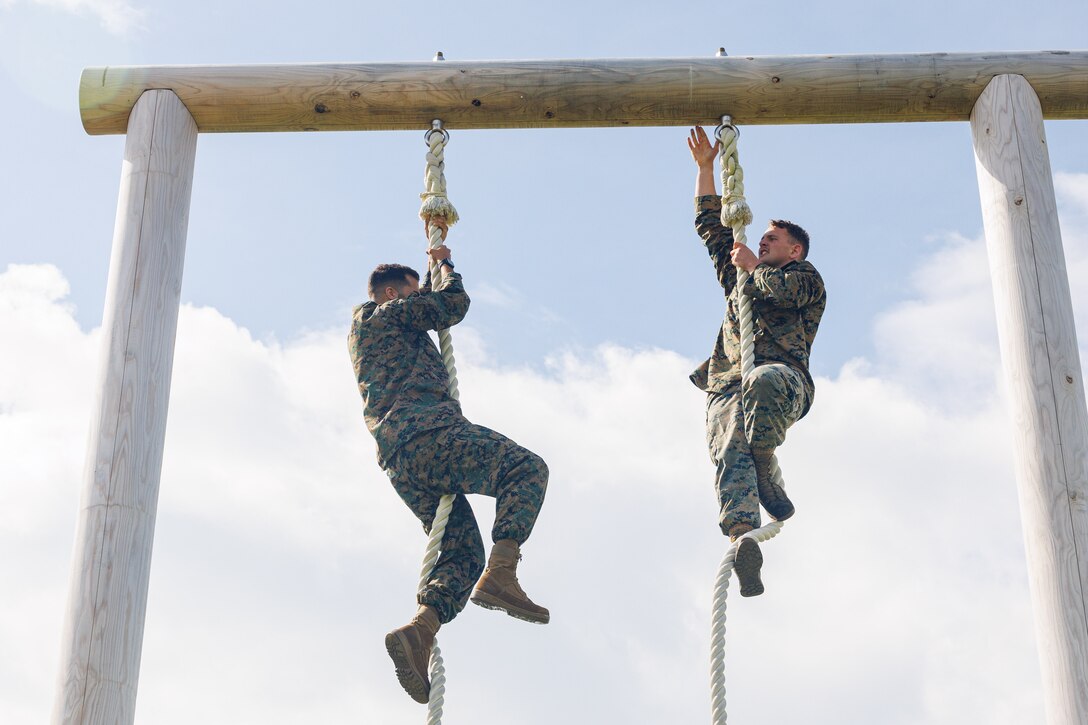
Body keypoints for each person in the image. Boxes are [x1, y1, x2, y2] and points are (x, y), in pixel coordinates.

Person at [348, 220, 550, 704]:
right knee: (526, 469)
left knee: (461, 554)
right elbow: (450, 306)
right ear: (393, 293)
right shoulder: (385, 315)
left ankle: (420, 629)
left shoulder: (374, 329)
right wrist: (442, 265)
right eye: (410, 293)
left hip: (402, 460)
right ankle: (503, 572)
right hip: (429, 435)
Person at [686, 126, 827, 597]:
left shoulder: (805, 278)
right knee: (729, 449)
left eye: (773, 238)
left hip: (782, 382)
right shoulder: (742, 277)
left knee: (763, 381)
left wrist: (753, 266)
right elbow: (712, 228)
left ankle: (765, 455)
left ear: (795, 249)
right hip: (727, 383)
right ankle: (743, 537)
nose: (764, 242)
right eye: (762, 238)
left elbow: (781, 292)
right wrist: (707, 169)